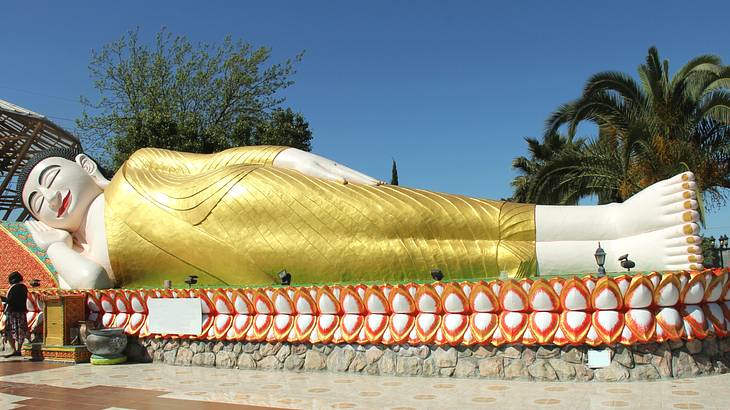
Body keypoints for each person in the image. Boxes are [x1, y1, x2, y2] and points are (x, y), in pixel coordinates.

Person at [16, 146, 702, 289]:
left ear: (81, 160)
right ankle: (626, 253)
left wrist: (301, 162)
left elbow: (220, 160)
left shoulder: (135, 167)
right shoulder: (91, 254)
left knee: (432, 216)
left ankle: (617, 217)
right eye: (34, 205)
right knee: (436, 260)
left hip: (259, 199)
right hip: (267, 266)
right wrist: (52, 243)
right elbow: (88, 287)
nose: (49, 197)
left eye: (49, 177)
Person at [1, 271, 29, 357]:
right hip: (21, 312)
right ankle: (19, 349)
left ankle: (14, 349)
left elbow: (10, 301)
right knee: (20, 331)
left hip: (12, 313)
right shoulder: (24, 287)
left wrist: (2, 298)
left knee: (9, 331)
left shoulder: (14, 288)